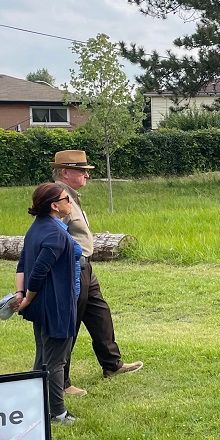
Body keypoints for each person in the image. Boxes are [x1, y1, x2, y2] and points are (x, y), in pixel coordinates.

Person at [49, 150, 142, 395]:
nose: (86, 176)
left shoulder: (72, 195)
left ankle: (112, 364)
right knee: (70, 322)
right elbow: (53, 233)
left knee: (99, 313)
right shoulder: (57, 197)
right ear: (65, 172)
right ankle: (62, 381)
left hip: (85, 265)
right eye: (81, 171)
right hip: (71, 267)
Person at [15, 183, 82, 425]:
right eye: (66, 199)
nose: (70, 202)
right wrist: (27, 297)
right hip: (56, 304)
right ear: (55, 205)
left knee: (43, 355)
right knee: (55, 361)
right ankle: (58, 413)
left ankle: (36, 405)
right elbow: (38, 271)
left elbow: (22, 264)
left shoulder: (37, 228)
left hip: (44, 303)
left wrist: (20, 293)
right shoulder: (55, 233)